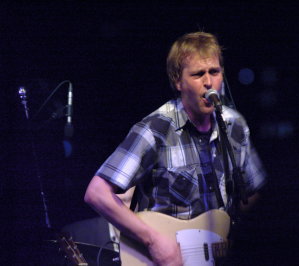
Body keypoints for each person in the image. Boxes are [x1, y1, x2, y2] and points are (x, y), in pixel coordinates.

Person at [84, 31, 266, 266]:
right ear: (178, 81)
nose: (208, 82)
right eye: (198, 74)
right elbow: (97, 193)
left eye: (214, 72)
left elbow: (254, 192)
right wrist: (153, 241)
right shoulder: (155, 129)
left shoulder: (235, 126)